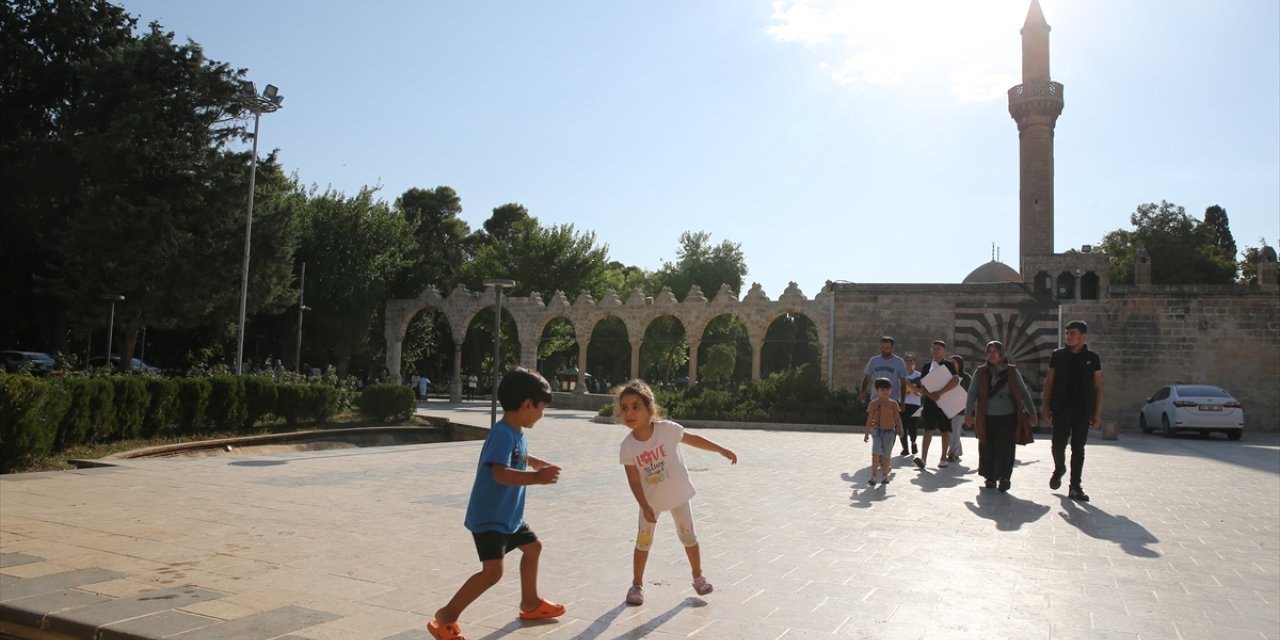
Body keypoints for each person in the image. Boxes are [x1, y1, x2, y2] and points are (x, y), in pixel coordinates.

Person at [428, 369, 564, 640]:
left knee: (533, 549)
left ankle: (530, 603)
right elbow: (498, 472)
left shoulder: (515, 431)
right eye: (541, 408)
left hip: (509, 516)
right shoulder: (502, 433)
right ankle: (445, 616)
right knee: (492, 573)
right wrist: (537, 478)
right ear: (527, 404)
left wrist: (534, 461)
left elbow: (517, 455)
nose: (541, 414)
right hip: (490, 518)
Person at [616, 379, 737, 606]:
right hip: (650, 502)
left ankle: (698, 577)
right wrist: (644, 505)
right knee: (643, 542)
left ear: (650, 409)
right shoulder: (628, 446)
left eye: (635, 407)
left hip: (678, 496)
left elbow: (694, 440)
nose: (629, 413)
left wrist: (720, 449)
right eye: (624, 408)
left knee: (688, 537)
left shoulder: (667, 430)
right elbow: (633, 481)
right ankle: (636, 585)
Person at [1042, 320, 1103, 502]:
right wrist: (1045, 407)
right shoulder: (1058, 356)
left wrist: (1097, 413)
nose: (1068, 337)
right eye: (1067, 333)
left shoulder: (1093, 358)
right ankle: (1059, 468)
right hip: (1061, 408)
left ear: (1083, 336)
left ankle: (1075, 487)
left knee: (1079, 448)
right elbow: (1049, 382)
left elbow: (1098, 386)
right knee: (1057, 445)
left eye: (1072, 333)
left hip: (1083, 410)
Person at [964, 341, 1038, 491]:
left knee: (1006, 448)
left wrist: (1033, 413)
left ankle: (1004, 477)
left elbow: (1024, 392)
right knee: (987, 446)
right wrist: (968, 413)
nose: (992, 354)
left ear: (1001, 353)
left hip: (1008, 417)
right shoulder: (980, 372)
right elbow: (972, 394)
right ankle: (990, 478)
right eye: (989, 351)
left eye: (995, 351)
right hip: (986, 416)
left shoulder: (1012, 371)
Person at [914, 340, 960, 470]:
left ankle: (943, 458)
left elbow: (955, 380)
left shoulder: (949, 365)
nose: (936, 351)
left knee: (945, 429)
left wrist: (940, 392)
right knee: (928, 428)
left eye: (938, 348)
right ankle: (923, 458)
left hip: (945, 401)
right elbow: (923, 385)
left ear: (944, 351)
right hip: (930, 402)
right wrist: (931, 395)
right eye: (934, 348)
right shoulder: (927, 366)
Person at [864, 377, 904, 486]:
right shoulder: (874, 404)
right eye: (882, 390)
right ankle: (873, 476)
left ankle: (885, 475)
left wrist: (900, 428)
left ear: (891, 390)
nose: (885, 392)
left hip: (889, 432)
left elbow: (897, 418)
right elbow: (870, 419)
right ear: (877, 390)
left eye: (887, 389)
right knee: (875, 453)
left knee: (886, 455)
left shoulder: (893, 404)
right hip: (877, 430)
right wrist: (867, 433)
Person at [860, 336, 908, 408]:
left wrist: (903, 401)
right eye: (882, 347)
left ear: (892, 347)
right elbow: (867, 378)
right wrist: (863, 393)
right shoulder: (873, 360)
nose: (884, 350)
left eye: (887, 348)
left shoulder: (899, 362)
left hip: (892, 398)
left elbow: (903, 382)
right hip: (876, 398)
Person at [947, 355, 971, 462]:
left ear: (959, 364)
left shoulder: (966, 377)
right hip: (948, 406)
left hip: (961, 407)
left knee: (955, 430)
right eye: (950, 362)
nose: (951, 364)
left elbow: (971, 392)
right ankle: (957, 451)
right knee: (951, 431)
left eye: (954, 362)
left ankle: (952, 453)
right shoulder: (947, 376)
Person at [899, 355, 923, 457]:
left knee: (912, 425)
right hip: (902, 403)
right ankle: (905, 448)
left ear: (914, 363)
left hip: (915, 404)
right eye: (907, 361)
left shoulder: (919, 376)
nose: (908, 362)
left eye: (910, 361)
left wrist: (911, 388)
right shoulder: (900, 375)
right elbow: (895, 390)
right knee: (902, 426)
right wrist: (904, 393)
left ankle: (913, 442)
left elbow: (922, 391)